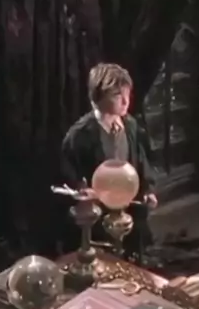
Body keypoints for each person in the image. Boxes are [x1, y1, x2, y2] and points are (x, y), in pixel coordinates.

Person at [61, 63, 157, 257]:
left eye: (127, 94)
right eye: (117, 95)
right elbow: (68, 173)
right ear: (98, 97)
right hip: (97, 220)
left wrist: (148, 190)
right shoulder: (80, 134)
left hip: (128, 213)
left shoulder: (130, 125)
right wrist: (81, 190)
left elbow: (141, 162)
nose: (125, 101)